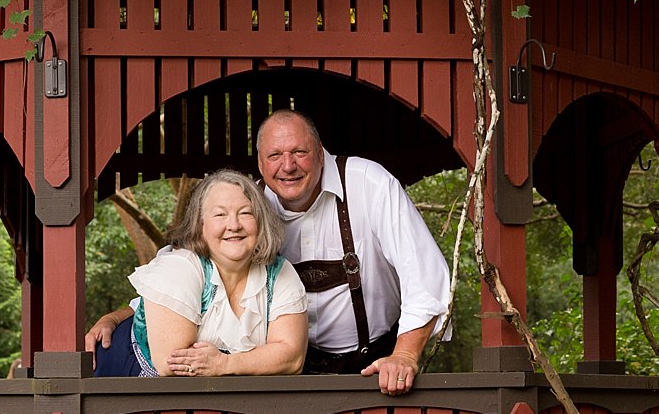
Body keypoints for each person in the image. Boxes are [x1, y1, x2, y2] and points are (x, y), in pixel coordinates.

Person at [88, 110, 450, 396]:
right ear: (260, 165)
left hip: (375, 366)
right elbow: (184, 267)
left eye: (299, 152)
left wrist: (403, 356)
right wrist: (121, 316)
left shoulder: (369, 185)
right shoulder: (248, 207)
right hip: (288, 374)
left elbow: (426, 278)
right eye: (275, 155)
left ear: (321, 154)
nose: (287, 165)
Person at [91, 168, 308, 377]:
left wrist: (225, 364)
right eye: (220, 215)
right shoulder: (180, 267)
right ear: (200, 225)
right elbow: (174, 364)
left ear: (261, 223)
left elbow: (292, 358)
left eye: (245, 213)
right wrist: (261, 359)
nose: (233, 225)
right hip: (129, 378)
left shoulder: (280, 272)